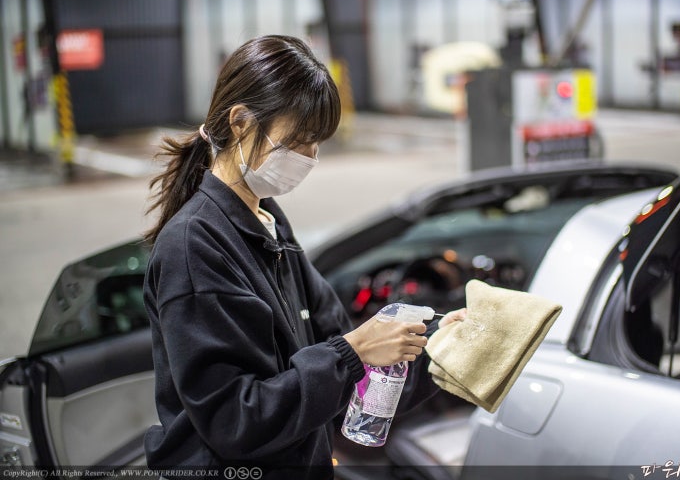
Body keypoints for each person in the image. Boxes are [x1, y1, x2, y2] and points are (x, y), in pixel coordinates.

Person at [142, 35, 465, 479]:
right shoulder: (194, 247)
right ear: (240, 121)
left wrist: (436, 351)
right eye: (299, 139)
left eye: (318, 142)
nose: (310, 157)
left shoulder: (268, 222)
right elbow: (235, 422)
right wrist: (351, 353)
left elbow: (342, 376)